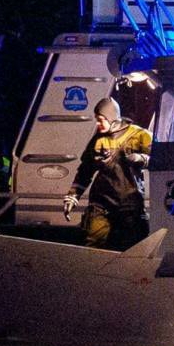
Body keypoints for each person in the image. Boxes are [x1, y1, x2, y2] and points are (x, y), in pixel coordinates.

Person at [63, 96, 152, 250]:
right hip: (101, 203)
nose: (98, 124)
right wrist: (73, 195)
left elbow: (161, 158)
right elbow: (85, 171)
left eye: (101, 119)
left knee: (132, 249)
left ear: (113, 118)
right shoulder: (97, 140)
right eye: (97, 119)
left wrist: (143, 158)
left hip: (129, 204)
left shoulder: (139, 135)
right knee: (92, 245)